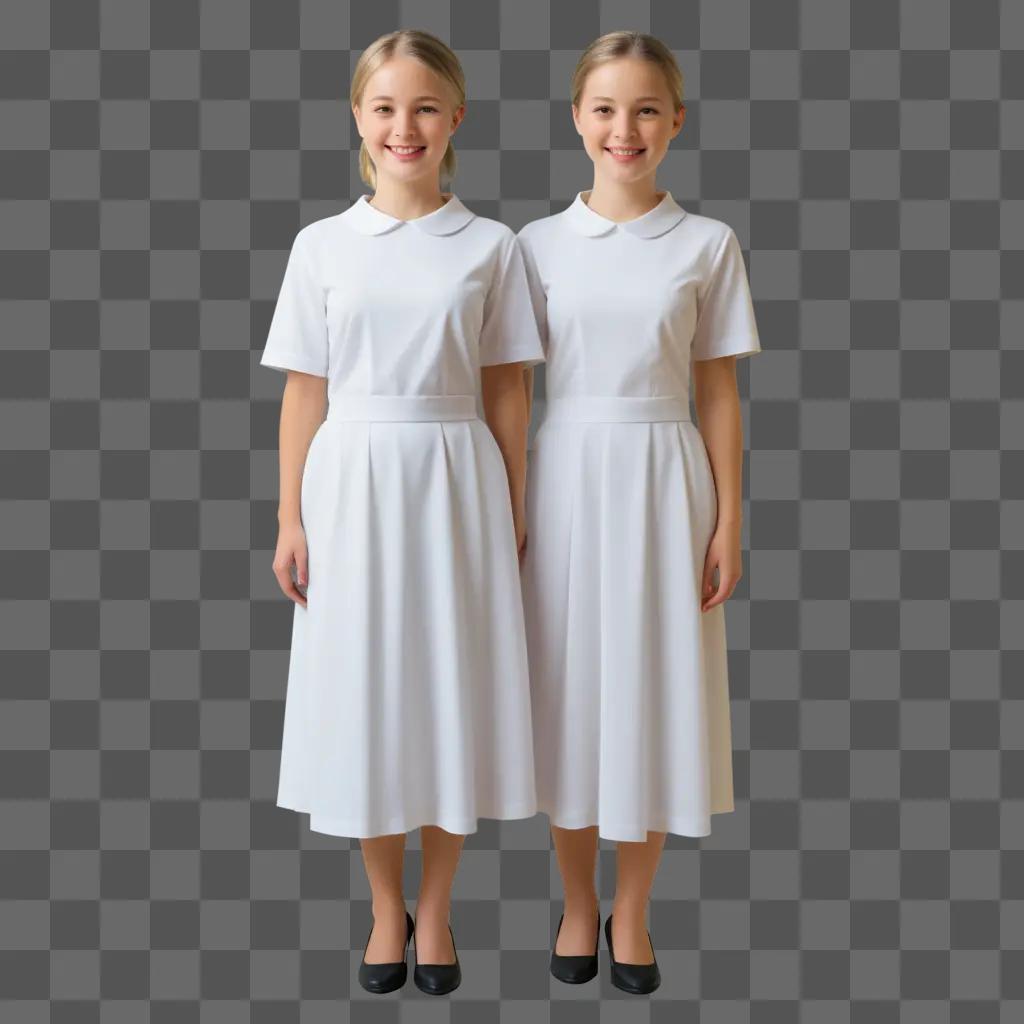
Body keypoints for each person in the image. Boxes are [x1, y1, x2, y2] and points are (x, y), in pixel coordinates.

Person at [259, 29, 544, 996]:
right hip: (352, 484)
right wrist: (290, 518)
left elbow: (508, 390)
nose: (404, 126)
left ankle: (443, 907)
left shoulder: (493, 246)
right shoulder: (322, 245)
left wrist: (514, 503)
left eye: (424, 106)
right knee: (369, 698)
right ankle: (388, 907)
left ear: (455, 117)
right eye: (384, 107)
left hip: (457, 479)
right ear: (358, 119)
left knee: (447, 692)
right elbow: (305, 391)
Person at [518, 31, 761, 994]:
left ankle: (632, 912)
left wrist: (729, 519)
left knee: (656, 690)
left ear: (676, 123)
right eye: (607, 109)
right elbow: (503, 388)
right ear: (578, 118)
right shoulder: (532, 245)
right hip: (567, 475)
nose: (626, 129)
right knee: (570, 693)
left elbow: (718, 395)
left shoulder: (706, 244)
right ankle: (577, 902)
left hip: (669, 479)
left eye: (647, 109)